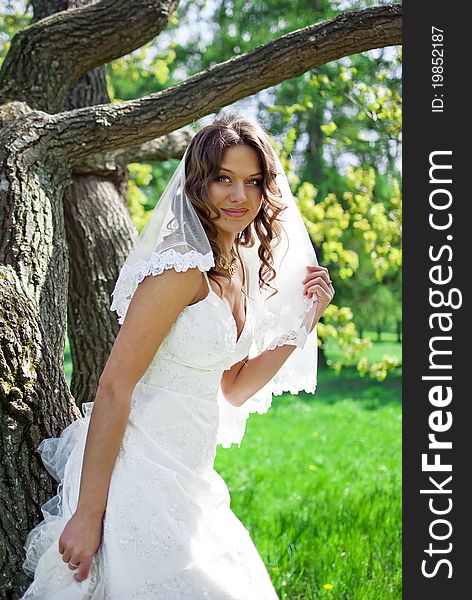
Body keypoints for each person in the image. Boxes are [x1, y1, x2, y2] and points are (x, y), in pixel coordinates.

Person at [20, 113, 334, 599]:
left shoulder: (240, 272)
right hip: (138, 463)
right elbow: (114, 386)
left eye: (253, 182)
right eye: (223, 179)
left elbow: (233, 387)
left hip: (192, 473)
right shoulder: (178, 269)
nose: (239, 197)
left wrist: (303, 321)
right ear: (197, 183)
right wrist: (87, 514)